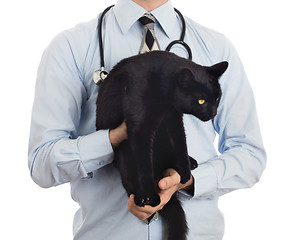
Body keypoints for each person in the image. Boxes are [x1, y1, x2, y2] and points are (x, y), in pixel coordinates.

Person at [28, 0, 266, 239]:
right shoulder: (72, 46)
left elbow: (250, 153)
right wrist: (113, 139)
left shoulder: (216, 47)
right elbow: (42, 163)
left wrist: (190, 181)